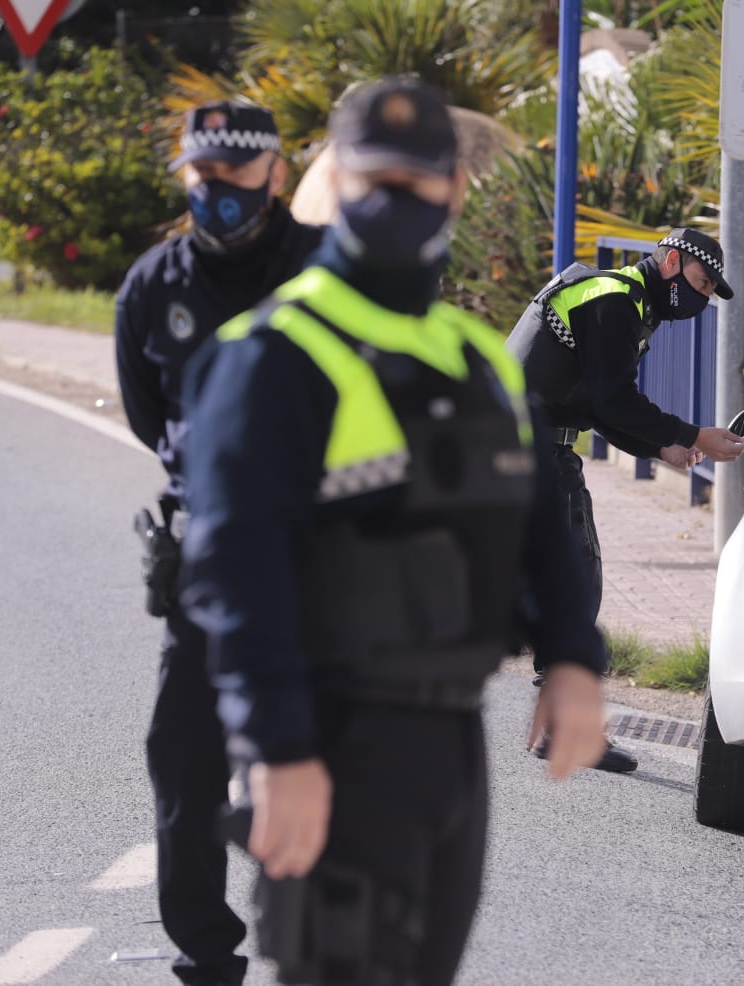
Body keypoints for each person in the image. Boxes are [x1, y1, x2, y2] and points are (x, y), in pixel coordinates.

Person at [177, 76, 610, 985]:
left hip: (453, 742)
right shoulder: (273, 357)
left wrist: (573, 661)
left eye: (416, 183)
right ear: (337, 185)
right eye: (374, 181)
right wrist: (280, 752)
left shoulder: (476, 354)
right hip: (330, 735)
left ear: (454, 188)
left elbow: (543, 526)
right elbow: (234, 574)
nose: (397, 203)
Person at [114, 100, 324, 986]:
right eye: (203, 178)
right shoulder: (154, 287)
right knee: (185, 761)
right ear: (185, 176)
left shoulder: (331, 275)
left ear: (274, 174)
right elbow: (147, 417)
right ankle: (205, 952)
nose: (219, 194)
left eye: (236, 178)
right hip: (208, 567)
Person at [505, 227, 744, 772]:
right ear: (671, 263)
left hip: (526, 446)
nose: (704, 297)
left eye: (710, 290)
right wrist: (690, 434)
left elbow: (597, 404)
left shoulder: (626, 303)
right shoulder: (614, 300)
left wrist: (661, 445)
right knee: (574, 576)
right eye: (702, 281)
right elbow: (612, 399)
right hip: (524, 448)